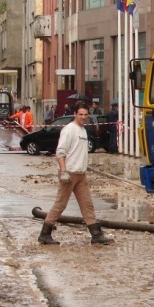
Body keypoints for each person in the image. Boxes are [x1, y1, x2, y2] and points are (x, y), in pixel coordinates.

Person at [38, 102, 114, 245]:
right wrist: (63, 171)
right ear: (75, 114)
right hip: (69, 173)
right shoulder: (69, 130)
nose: (83, 117)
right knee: (60, 204)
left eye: (85, 115)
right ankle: (45, 233)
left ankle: (96, 234)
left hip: (81, 174)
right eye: (80, 114)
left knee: (87, 204)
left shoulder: (83, 130)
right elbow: (60, 152)